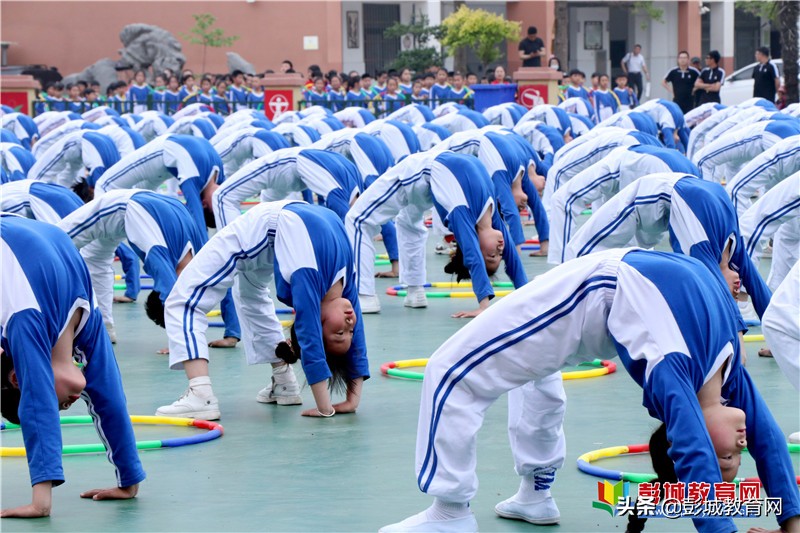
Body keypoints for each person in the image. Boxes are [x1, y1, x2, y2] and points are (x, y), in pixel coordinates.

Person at [381, 247, 800, 533]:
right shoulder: (725, 376)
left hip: (591, 295)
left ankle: (451, 512)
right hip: (607, 292)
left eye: (726, 455)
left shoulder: (677, 377)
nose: (741, 445)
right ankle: (532, 494)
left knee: (450, 369)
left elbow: (696, 456)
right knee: (531, 368)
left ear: (683, 435)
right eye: (733, 456)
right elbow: (770, 442)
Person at [156, 201, 367, 420]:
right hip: (274, 235)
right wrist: (353, 400)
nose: (350, 324)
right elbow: (358, 340)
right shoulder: (344, 285)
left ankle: (201, 394)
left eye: (340, 333)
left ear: (319, 320)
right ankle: (284, 381)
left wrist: (324, 408)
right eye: (347, 334)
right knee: (250, 294)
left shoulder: (308, 279)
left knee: (183, 299)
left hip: (260, 232)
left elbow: (310, 339)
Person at [0, 216, 146, 518]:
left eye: (59, 406)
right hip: (35, 236)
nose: (67, 406)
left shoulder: (27, 320)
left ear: (18, 379)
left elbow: (37, 404)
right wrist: (128, 481)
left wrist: (41, 502)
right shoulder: (87, 319)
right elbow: (110, 394)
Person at [566, 172, 771, 321]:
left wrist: (775, 327)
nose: (738, 291)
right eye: (735, 295)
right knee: (580, 250)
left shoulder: (733, 253)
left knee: (626, 263)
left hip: (672, 205)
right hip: (650, 195)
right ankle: (565, 307)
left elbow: (758, 290)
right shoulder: (700, 251)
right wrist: (737, 339)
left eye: (733, 295)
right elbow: (718, 302)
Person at [346, 151, 525, 316]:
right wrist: (528, 297)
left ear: (477, 243)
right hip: (430, 181)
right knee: (409, 224)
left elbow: (472, 256)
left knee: (357, 219)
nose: (501, 248)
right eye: (498, 254)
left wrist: (484, 306)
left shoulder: (462, 213)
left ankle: (365, 295)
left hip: (417, 174)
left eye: (493, 254)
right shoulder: (492, 218)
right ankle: (416, 291)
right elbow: (513, 261)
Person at [57, 190, 206, 344]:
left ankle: (104, 330)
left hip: (148, 204)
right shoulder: (160, 258)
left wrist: (232, 333)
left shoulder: (200, 255)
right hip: (120, 205)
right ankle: (102, 330)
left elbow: (224, 288)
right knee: (52, 242)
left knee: (91, 260)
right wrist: (180, 345)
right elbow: (171, 298)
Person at [547, 146, 700, 264]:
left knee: (564, 202)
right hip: (660, 163)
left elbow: (564, 200)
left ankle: (563, 278)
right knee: (638, 239)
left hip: (640, 161)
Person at [212, 147, 361, 227]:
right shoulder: (351, 179)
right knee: (265, 217)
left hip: (291, 164)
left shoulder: (344, 187)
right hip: (296, 170)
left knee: (222, 196)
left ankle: (238, 251)